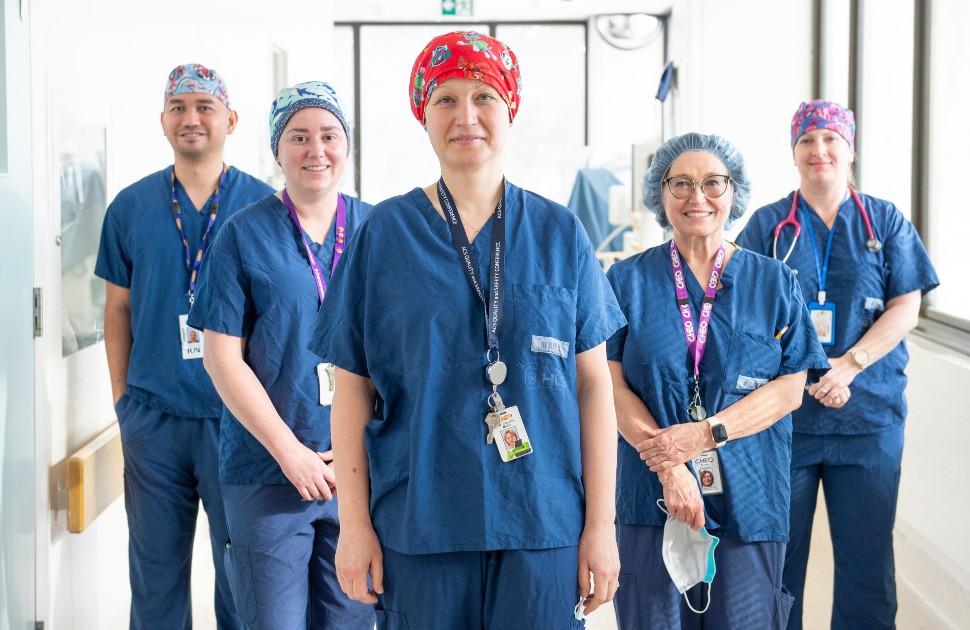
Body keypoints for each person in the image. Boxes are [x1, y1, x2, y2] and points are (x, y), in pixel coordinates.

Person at [308, 30, 626, 628]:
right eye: (445, 99)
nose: (466, 116)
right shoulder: (385, 235)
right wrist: (353, 527)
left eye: (483, 96)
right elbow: (352, 387)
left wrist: (601, 528)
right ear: (422, 115)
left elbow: (594, 386)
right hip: (419, 521)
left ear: (510, 109)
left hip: (543, 521)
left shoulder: (561, 234)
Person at [606, 132, 830, 629]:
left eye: (713, 182)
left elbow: (790, 387)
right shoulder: (625, 282)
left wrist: (704, 435)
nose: (697, 197)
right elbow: (610, 387)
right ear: (660, 194)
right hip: (651, 495)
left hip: (751, 495)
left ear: (734, 192)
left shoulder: (774, 282)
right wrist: (671, 469)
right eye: (680, 183)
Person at [736, 100, 940, 630]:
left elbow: (907, 305)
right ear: (794, 152)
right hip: (785, 421)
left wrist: (850, 364)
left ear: (850, 150)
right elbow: (747, 314)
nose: (818, 150)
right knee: (777, 565)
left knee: (867, 565)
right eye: (807, 141)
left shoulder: (885, 220)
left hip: (867, 419)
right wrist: (805, 374)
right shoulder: (768, 227)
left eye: (830, 139)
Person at [188, 82, 375, 629]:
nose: (316, 150)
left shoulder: (378, 230)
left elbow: (397, 354)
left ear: (347, 145)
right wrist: (288, 452)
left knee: (351, 620)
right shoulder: (241, 234)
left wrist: (356, 449)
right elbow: (221, 357)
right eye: (298, 137)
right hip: (266, 471)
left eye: (329, 135)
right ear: (277, 149)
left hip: (357, 473)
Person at [95, 63, 273, 629]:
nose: (191, 119)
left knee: (243, 578)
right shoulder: (130, 207)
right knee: (154, 574)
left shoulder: (264, 207)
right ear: (163, 121)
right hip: (154, 419)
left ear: (231, 119)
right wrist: (125, 402)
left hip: (238, 424)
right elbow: (117, 310)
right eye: (179, 108)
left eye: (204, 107)